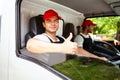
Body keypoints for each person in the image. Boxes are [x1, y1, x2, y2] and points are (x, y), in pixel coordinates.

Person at [26, 9, 108, 62]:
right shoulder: (41, 38)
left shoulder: (61, 38)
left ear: (58, 23)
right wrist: (61, 47)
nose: (53, 24)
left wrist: (97, 58)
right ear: (44, 24)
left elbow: (78, 50)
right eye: (49, 21)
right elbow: (30, 45)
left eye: (56, 21)